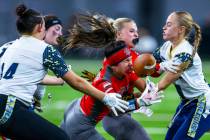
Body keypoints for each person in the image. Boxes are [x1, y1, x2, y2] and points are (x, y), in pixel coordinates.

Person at [0, 4, 129, 140]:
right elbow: (75, 81)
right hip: (10, 108)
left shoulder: (6, 47)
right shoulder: (45, 49)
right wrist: (105, 97)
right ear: (39, 27)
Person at [61, 13, 162, 140]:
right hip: (80, 126)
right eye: (126, 61)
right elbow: (118, 107)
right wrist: (140, 102)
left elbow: (133, 92)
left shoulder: (124, 71)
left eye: (130, 59)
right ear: (113, 66)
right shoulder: (104, 82)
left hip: (76, 108)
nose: (131, 64)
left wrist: (147, 92)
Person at [152, 11, 210, 139]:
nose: (164, 27)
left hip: (202, 102)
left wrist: (147, 95)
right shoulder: (167, 46)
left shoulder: (184, 52)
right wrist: (152, 66)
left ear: (180, 29)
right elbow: (152, 68)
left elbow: (164, 83)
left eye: (169, 24)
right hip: (187, 103)